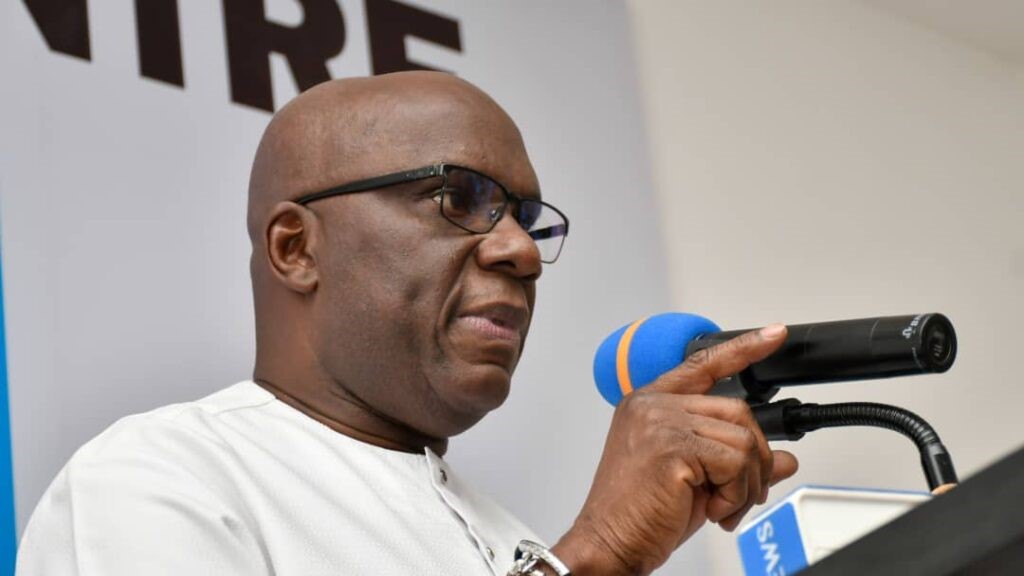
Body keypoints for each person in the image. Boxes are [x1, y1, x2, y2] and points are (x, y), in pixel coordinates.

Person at [16, 71, 798, 575]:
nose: (523, 251)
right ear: (296, 249)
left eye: (526, 217)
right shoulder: (158, 478)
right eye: (458, 198)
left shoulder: (508, 539)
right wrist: (596, 556)